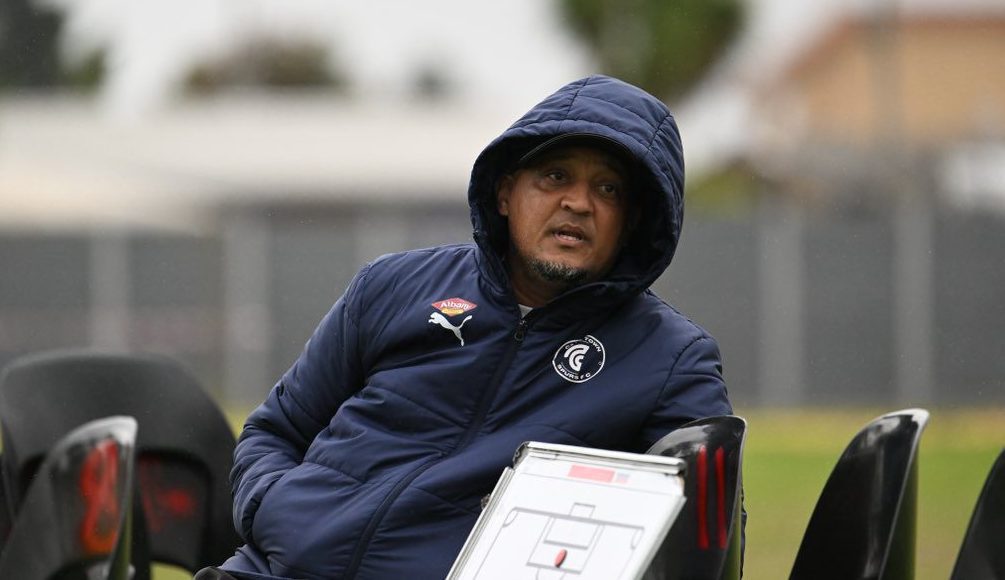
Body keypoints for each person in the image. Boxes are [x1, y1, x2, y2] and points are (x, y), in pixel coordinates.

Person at [202, 74, 734, 580]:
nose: (578, 202)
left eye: (609, 188)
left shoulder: (673, 359)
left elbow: (700, 542)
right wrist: (275, 510)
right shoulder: (391, 285)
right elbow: (276, 430)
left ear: (635, 222)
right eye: (555, 176)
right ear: (505, 193)